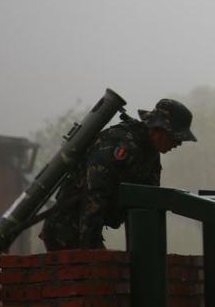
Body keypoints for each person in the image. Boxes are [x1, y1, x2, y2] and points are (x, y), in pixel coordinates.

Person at [40, 98, 196, 251]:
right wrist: (91, 254)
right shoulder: (120, 143)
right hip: (66, 228)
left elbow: (147, 203)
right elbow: (95, 197)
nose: (178, 143)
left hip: (85, 228)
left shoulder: (150, 154)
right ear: (158, 130)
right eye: (175, 137)